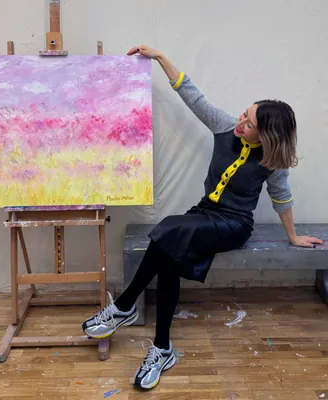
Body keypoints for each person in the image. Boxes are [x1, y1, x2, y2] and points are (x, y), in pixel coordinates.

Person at [82, 45, 324, 390]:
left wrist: (294, 237)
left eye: (250, 124)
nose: (241, 123)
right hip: (204, 213)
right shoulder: (225, 127)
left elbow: (281, 198)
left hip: (233, 225)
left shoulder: (273, 160)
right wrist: (160, 57)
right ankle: (162, 348)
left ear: (266, 135)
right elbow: (191, 94)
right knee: (169, 255)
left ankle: (124, 306)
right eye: (244, 114)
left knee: (168, 229)